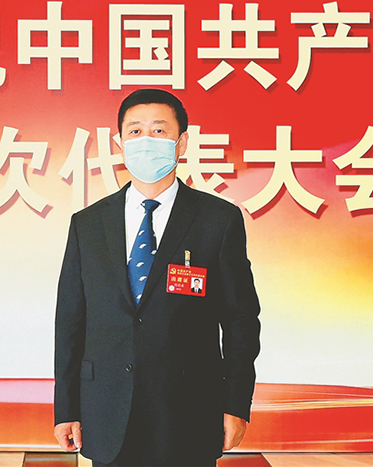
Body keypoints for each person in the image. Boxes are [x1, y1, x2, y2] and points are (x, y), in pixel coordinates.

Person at [54, 89, 261, 467]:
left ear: (181, 142)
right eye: (135, 131)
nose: (146, 140)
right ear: (119, 143)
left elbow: (241, 320)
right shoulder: (88, 224)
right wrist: (66, 408)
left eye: (159, 130)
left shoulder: (218, 220)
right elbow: (70, 321)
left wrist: (235, 404)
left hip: (189, 413)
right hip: (107, 411)